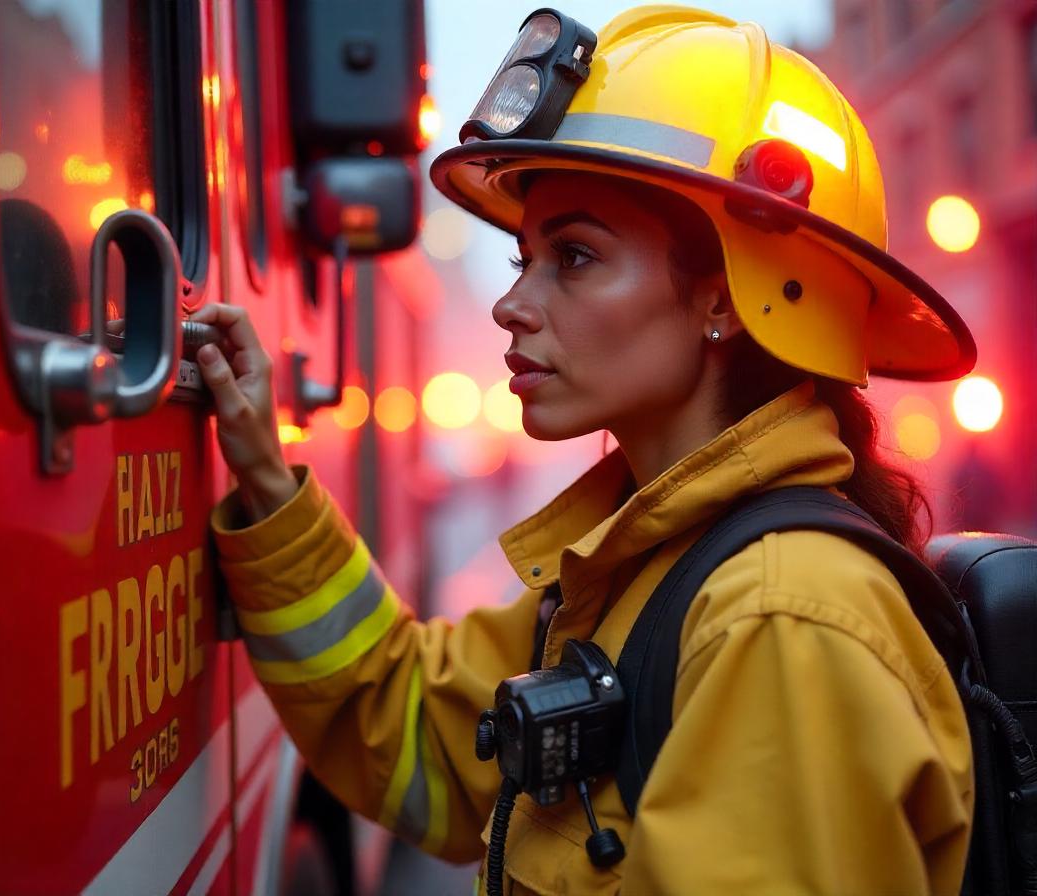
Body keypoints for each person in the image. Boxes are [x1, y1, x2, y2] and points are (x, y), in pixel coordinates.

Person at [192, 6, 976, 894]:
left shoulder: (779, 621)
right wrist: (263, 476)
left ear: (726, 299)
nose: (510, 305)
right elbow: (423, 737)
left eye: (574, 256)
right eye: (525, 257)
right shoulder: (635, 569)